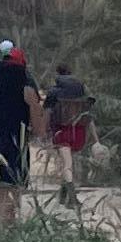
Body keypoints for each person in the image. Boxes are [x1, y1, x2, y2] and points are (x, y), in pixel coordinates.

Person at [0, 36, 37, 217]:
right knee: (17, 188)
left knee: (1, 194)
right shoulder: (27, 87)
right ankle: (15, 221)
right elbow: (37, 119)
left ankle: (2, 229)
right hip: (18, 142)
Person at [43, 58, 93, 195]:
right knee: (69, 163)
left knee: (67, 164)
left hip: (62, 132)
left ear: (57, 74)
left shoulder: (54, 92)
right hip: (80, 133)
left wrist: (44, 130)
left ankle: (71, 195)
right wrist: (95, 139)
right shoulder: (82, 90)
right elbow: (88, 115)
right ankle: (64, 193)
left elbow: (47, 113)